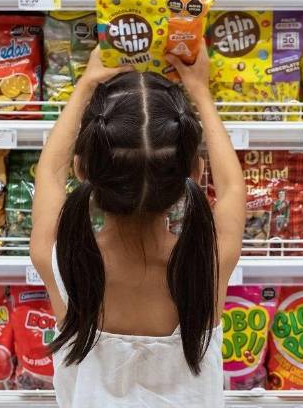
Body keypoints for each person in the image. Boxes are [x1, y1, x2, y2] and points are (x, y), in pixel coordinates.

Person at [30, 44, 246, 407]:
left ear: (82, 170)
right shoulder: (207, 265)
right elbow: (233, 188)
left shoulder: (59, 262)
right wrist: (201, 91)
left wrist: (85, 85)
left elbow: (49, 175)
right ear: (195, 173)